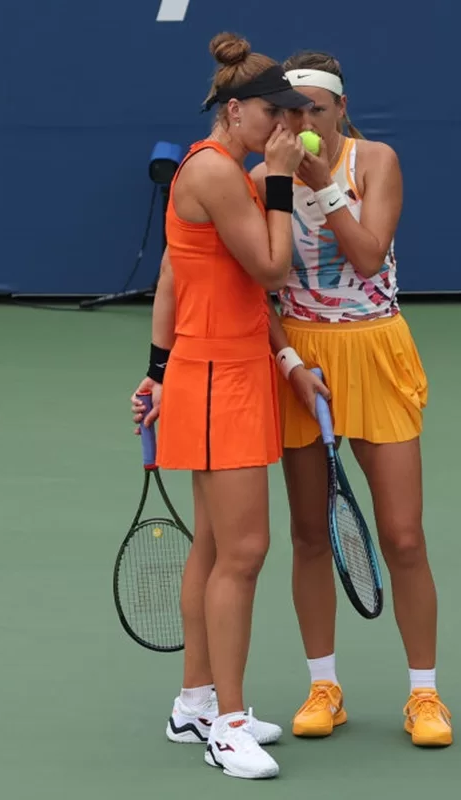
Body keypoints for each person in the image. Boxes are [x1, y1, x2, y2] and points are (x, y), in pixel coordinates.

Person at [246, 49, 454, 748]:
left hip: (376, 350)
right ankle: (323, 687)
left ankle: (424, 696)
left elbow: (367, 256)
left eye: (315, 108)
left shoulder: (375, 162)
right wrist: (286, 359)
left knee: (402, 535)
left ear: (340, 110)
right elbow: (260, 287)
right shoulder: (260, 178)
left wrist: (322, 189)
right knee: (310, 535)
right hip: (303, 362)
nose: (301, 120)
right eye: (289, 108)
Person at [127, 32, 319, 780]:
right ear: (234, 110)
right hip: (218, 383)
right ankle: (228, 725)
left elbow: (183, 276)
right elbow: (272, 266)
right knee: (243, 553)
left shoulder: (223, 174)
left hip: (226, 371)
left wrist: (156, 370)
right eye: (274, 115)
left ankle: (196, 702)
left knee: (212, 547)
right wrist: (279, 178)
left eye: (291, 118)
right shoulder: (213, 173)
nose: (284, 128)